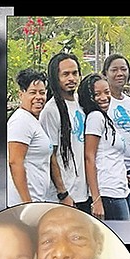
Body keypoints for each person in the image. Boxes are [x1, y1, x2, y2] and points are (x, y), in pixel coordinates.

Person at [79, 73, 130, 220]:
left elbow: (108, 154)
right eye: (97, 94)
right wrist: (96, 199)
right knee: (124, 238)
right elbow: (89, 157)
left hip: (121, 187)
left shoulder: (106, 118)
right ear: (89, 97)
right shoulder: (95, 117)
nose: (104, 97)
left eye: (107, 92)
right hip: (108, 190)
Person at [40, 53, 90, 213]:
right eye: (65, 74)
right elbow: (50, 155)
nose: (71, 78)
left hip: (84, 192)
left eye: (75, 73)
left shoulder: (80, 103)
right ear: (56, 77)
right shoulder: (51, 110)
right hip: (64, 197)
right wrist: (63, 193)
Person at [7, 68, 52, 206]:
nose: (38, 97)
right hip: (23, 204)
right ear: (21, 94)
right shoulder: (21, 121)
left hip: (37, 199)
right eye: (33, 92)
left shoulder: (32, 120)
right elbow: (15, 162)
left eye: (42, 93)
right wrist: (27, 203)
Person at [101, 53, 130, 185]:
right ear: (105, 73)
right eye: (114, 70)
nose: (120, 73)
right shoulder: (102, 101)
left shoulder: (129, 102)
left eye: (123, 69)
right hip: (111, 170)